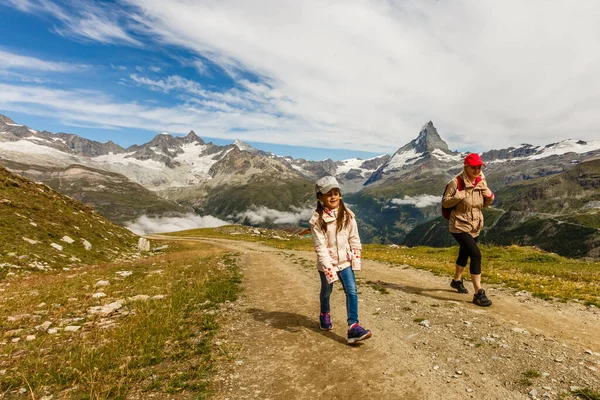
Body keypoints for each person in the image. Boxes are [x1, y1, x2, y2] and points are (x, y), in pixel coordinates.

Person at [309, 176, 372, 344]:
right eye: (328, 194)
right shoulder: (317, 221)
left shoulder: (348, 215)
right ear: (320, 198)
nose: (333, 197)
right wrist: (329, 269)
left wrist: (355, 261)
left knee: (352, 291)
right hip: (327, 265)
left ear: (340, 195)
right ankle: (324, 314)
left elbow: (354, 238)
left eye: (336, 192)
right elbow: (320, 248)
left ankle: (353, 327)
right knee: (326, 292)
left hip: (345, 262)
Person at [442, 153, 495, 307]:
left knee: (464, 253)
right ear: (466, 167)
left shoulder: (481, 181)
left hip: (475, 225)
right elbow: (445, 203)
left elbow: (485, 204)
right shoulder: (455, 182)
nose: (477, 170)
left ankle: (456, 281)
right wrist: (458, 196)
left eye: (479, 167)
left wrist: (490, 196)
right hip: (458, 225)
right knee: (476, 254)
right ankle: (479, 292)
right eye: (474, 167)